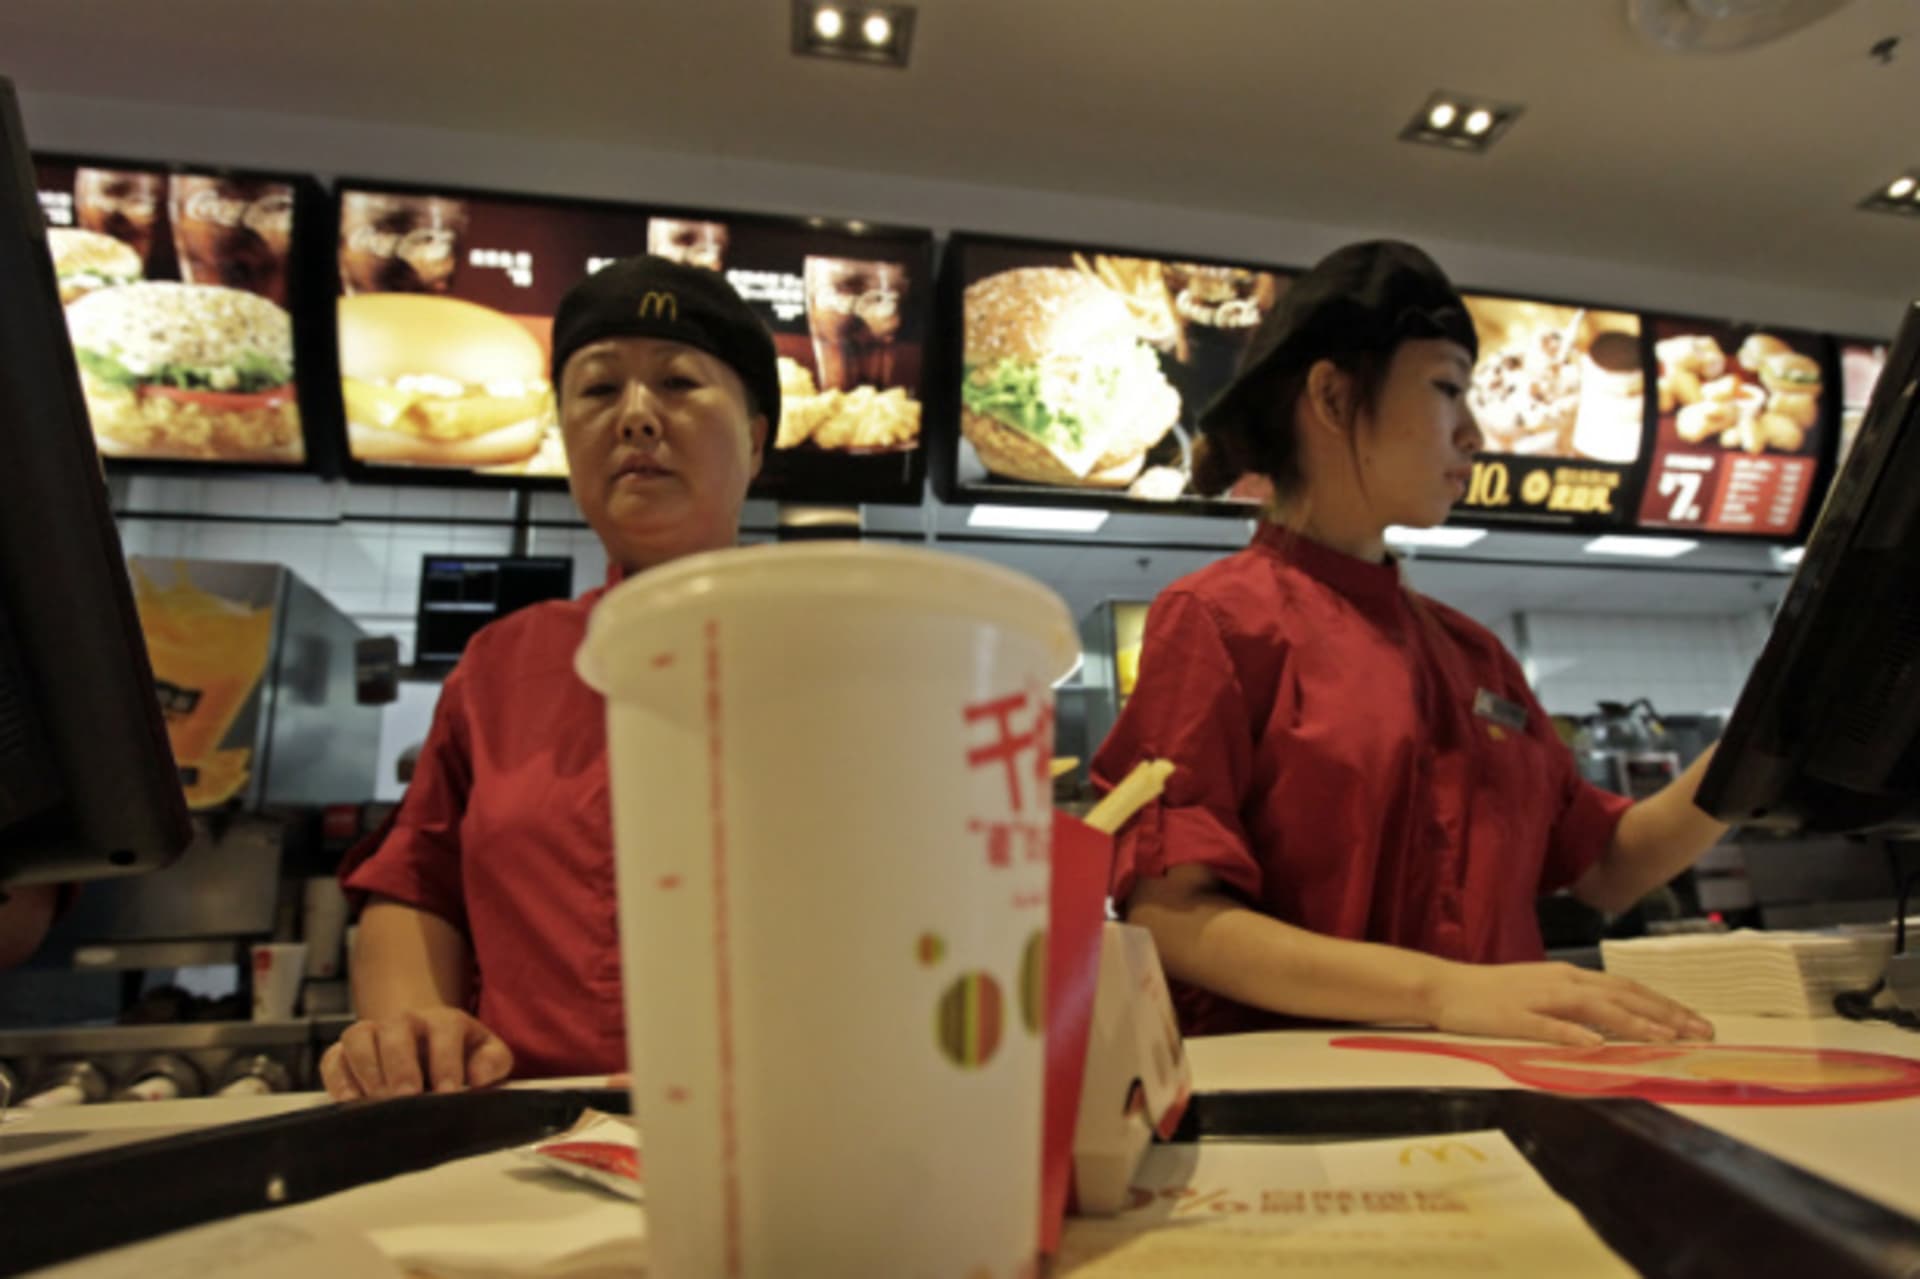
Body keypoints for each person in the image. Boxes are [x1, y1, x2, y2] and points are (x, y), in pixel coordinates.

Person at [1092, 241, 1728, 1048]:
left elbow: (1606, 865)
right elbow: (1172, 913)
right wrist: (1442, 991)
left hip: (1512, 1090)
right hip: (1307, 1118)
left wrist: (1755, 752)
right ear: (1331, 395)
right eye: (1446, 389)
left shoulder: (1475, 656)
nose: (1475, 433)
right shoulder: (1218, 619)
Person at [320, 257, 777, 1100]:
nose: (637, 417)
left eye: (678, 381)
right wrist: (410, 1029)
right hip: (529, 1154)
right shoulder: (502, 665)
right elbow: (419, 881)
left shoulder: (847, 653)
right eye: (599, 391)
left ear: (754, 437)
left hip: (790, 1145)